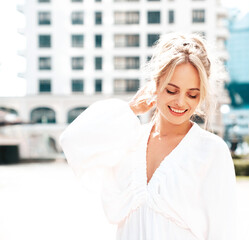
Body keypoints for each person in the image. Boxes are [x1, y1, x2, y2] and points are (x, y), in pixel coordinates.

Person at [59, 32, 237, 240]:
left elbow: (222, 230)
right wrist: (131, 109)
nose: (181, 102)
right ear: (156, 84)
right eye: (171, 90)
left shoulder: (211, 150)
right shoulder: (129, 139)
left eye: (192, 94)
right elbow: (73, 141)